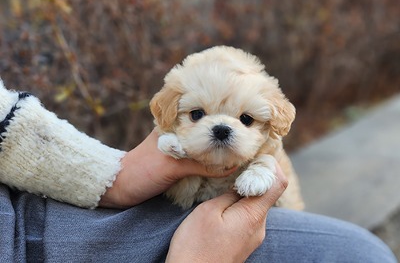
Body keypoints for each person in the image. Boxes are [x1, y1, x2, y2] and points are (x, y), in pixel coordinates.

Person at [0, 80, 397, 262]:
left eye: (244, 117)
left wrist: (108, 175)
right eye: (198, 113)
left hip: (25, 209)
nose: (223, 128)